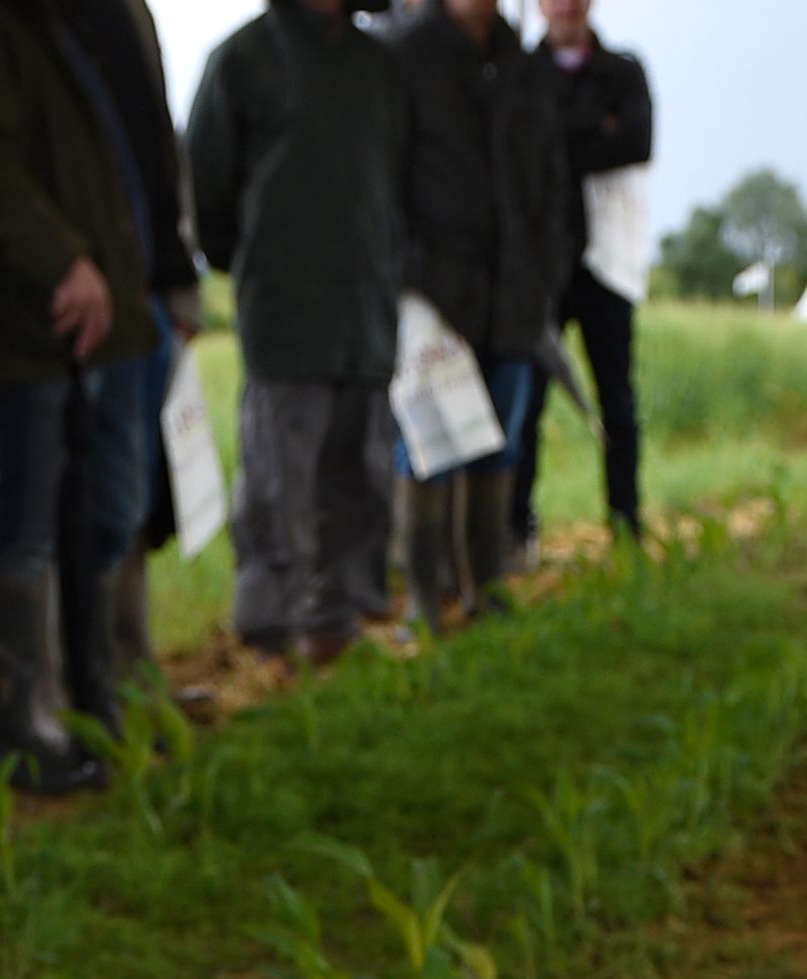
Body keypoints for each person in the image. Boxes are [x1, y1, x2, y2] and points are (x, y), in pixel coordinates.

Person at [0, 0, 164, 792]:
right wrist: (62, 260)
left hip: (70, 321)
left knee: (79, 522)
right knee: (27, 525)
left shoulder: (42, 19)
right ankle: (22, 729)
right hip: (18, 318)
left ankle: (88, 709)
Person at [185, 0, 407, 666]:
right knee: (277, 491)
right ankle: (270, 640)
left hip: (365, 314)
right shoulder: (243, 59)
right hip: (285, 316)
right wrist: (261, 265)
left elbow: (397, 184)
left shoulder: (380, 67)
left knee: (360, 481)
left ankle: (337, 626)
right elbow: (208, 196)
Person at [389, 0, 566, 629]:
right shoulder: (407, 55)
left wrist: (546, 268)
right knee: (427, 443)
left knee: (500, 442)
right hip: (435, 290)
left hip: (514, 291)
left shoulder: (522, 62)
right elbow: (386, 174)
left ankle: (485, 591)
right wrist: (409, 271)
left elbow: (549, 177)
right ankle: (421, 602)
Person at [50, 0, 200, 693]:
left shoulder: (129, 14)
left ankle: (130, 666)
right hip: (61, 294)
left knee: (129, 489)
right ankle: (67, 686)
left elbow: (154, 152)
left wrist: (175, 278)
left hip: (139, 288)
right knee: (57, 499)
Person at [509, 0, 646, 557]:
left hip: (608, 263)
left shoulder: (624, 69)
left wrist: (557, 136)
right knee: (528, 402)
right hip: (542, 266)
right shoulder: (522, 70)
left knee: (617, 400)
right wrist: (595, 125)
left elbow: (636, 142)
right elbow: (521, 153)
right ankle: (517, 529)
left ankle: (626, 525)